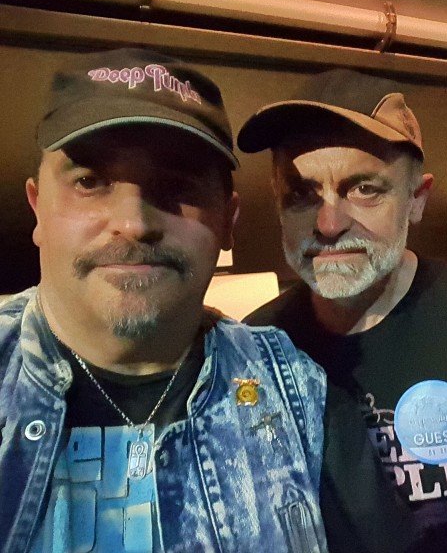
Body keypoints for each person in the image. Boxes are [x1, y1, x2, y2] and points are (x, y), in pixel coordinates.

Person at [0, 48, 328, 553]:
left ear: (228, 221)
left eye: (176, 185)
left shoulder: (298, 390)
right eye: (90, 182)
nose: (134, 223)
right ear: (37, 207)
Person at [237, 69, 447, 553]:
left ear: (416, 199)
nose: (329, 223)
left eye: (364, 189)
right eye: (301, 194)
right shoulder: (256, 352)